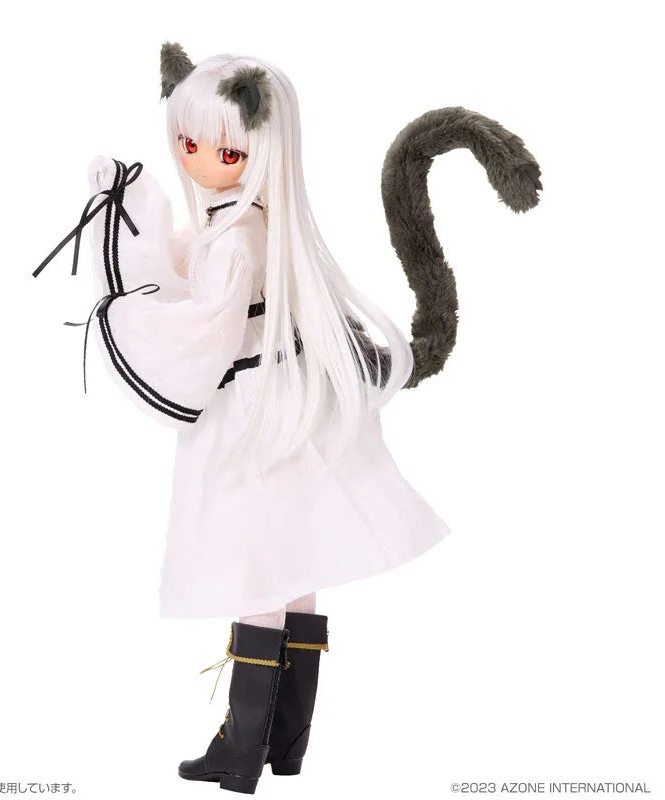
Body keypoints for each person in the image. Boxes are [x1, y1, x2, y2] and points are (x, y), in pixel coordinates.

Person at [33, 42, 542, 795]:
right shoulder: (249, 221)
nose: (199, 160)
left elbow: (205, 320)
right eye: (187, 143)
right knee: (292, 568)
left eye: (225, 150)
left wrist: (128, 319)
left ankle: (242, 751)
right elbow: (191, 265)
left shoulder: (239, 236)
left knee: (257, 569)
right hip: (285, 402)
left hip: (258, 416)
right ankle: (285, 744)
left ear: (260, 147)